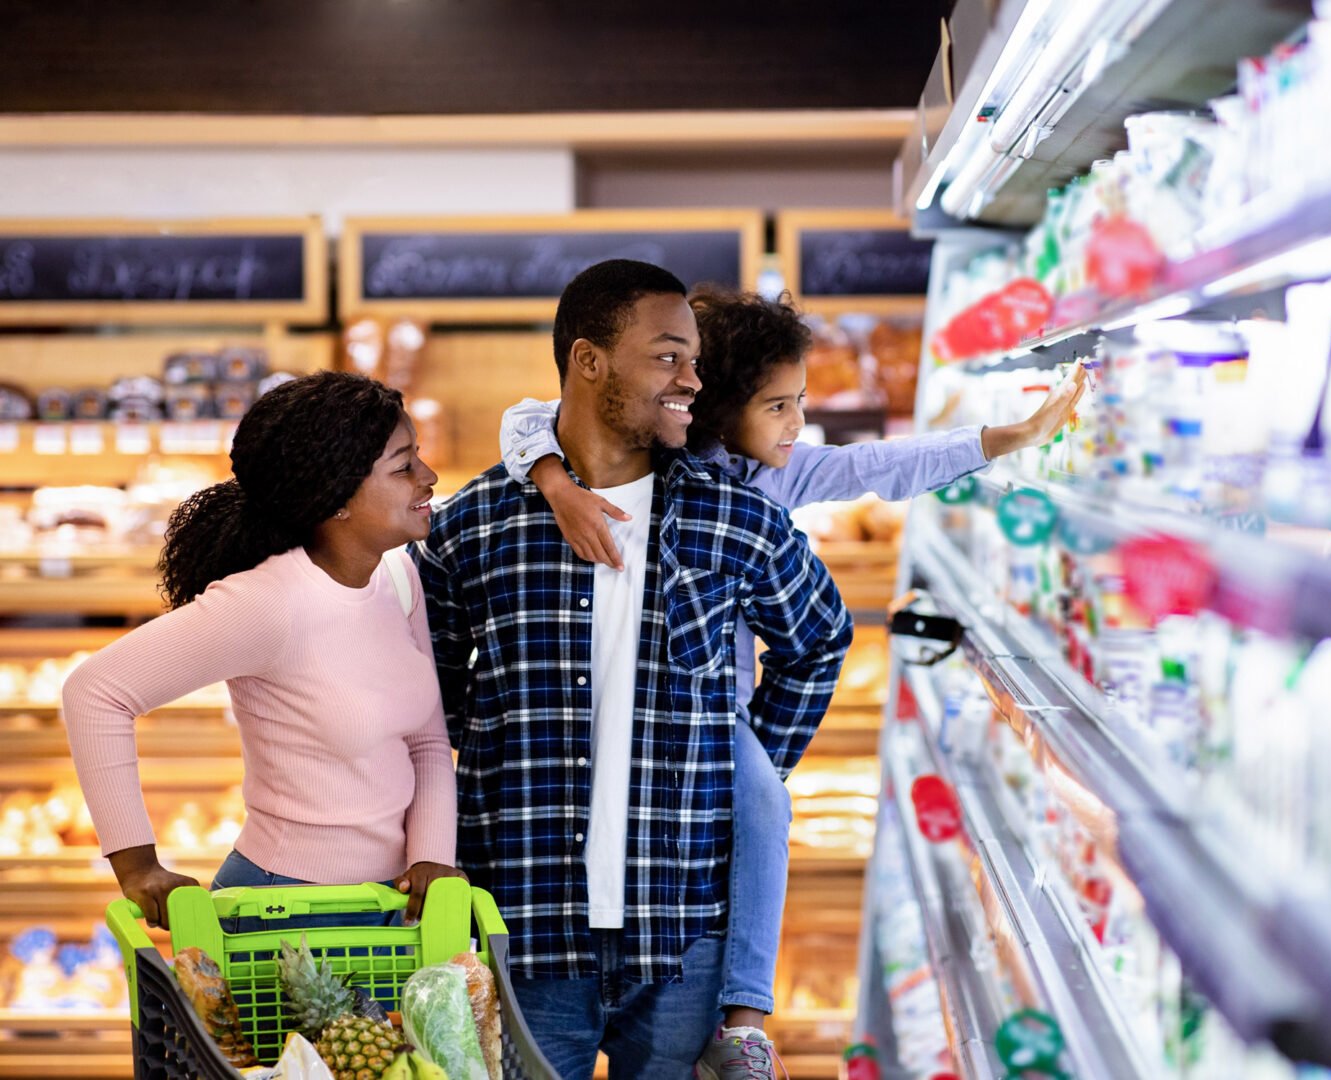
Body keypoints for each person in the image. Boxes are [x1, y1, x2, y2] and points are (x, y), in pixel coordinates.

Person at [500, 287, 1088, 1079]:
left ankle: (743, 1014)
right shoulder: (646, 453)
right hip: (609, 711)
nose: (796, 424)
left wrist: (1006, 438)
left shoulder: (773, 478)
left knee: (765, 803)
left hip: (715, 714)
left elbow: (881, 465)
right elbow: (526, 417)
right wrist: (554, 482)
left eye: (799, 403)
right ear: (716, 403)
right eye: (779, 405)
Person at [412, 260, 853, 1080]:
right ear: (588, 361)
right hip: (524, 930)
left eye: (694, 358)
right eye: (667, 357)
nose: (693, 378)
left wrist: (742, 764)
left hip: (682, 932)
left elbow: (819, 638)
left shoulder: (737, 520)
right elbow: (425, 709)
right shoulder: (473, 529)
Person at [62, 371, 463, 933]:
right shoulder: (268, 603)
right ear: (337, 499)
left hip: (392, 907)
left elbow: (426, 740)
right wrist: (137, 866)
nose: (428, 477)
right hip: (284, 912)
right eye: (403, 467)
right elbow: (94, 692)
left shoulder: (397, 577)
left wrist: (432, 861)